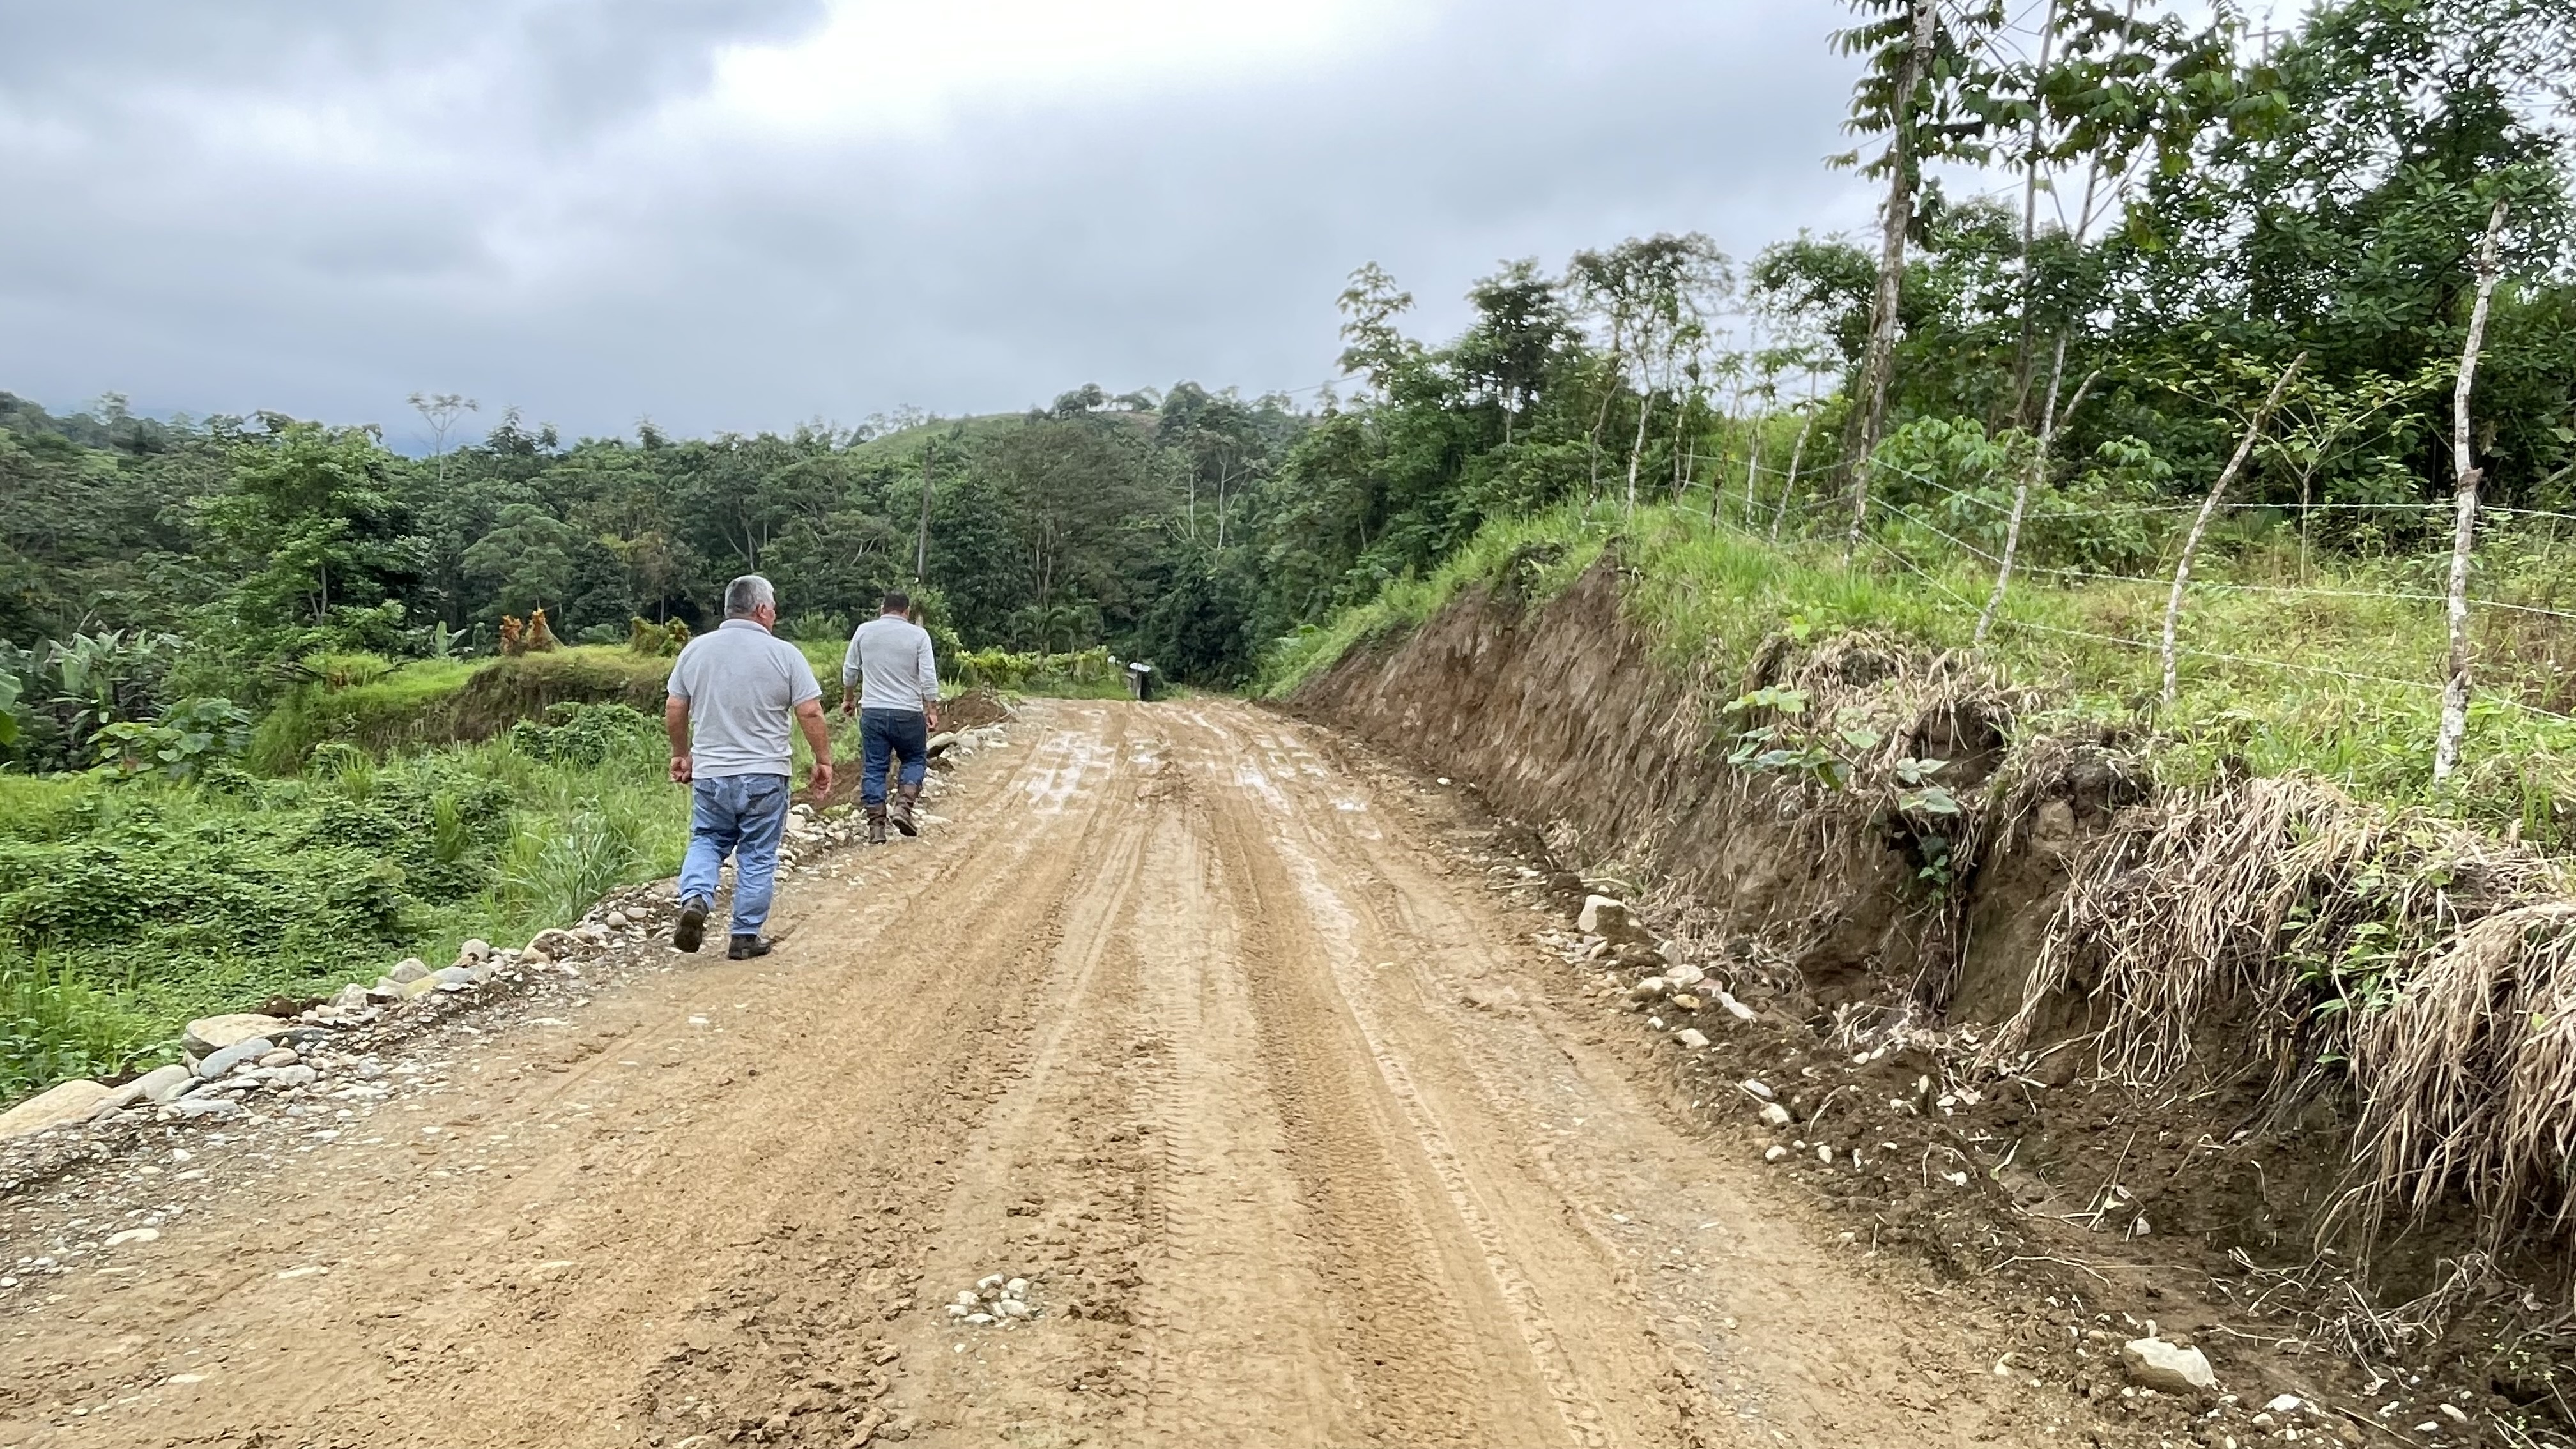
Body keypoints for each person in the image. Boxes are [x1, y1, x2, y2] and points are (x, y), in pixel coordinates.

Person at [664, 574, 833, 959]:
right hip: (765, 775)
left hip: (711, 773)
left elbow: (675, 706)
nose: (774, 615)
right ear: (760, 609)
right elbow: (810, 711)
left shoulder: (695, 651)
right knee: (758, 853)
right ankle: (743, 937)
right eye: (773, 609)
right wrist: (823, 760)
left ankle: (696, 899)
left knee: (707, 839)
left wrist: (681, 753)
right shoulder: (785, 654)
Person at [841, 589, 941, 845]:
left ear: (882, 608)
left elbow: (850, 670)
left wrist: (848, 699)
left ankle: (876, 828)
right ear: (907, 612)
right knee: (915, 758)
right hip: (908, 712)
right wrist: (932, 709)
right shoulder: (919, 635)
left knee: (875, 767)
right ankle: (903, 807)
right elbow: (928, 677)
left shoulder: (864, 631)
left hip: (873, 712)